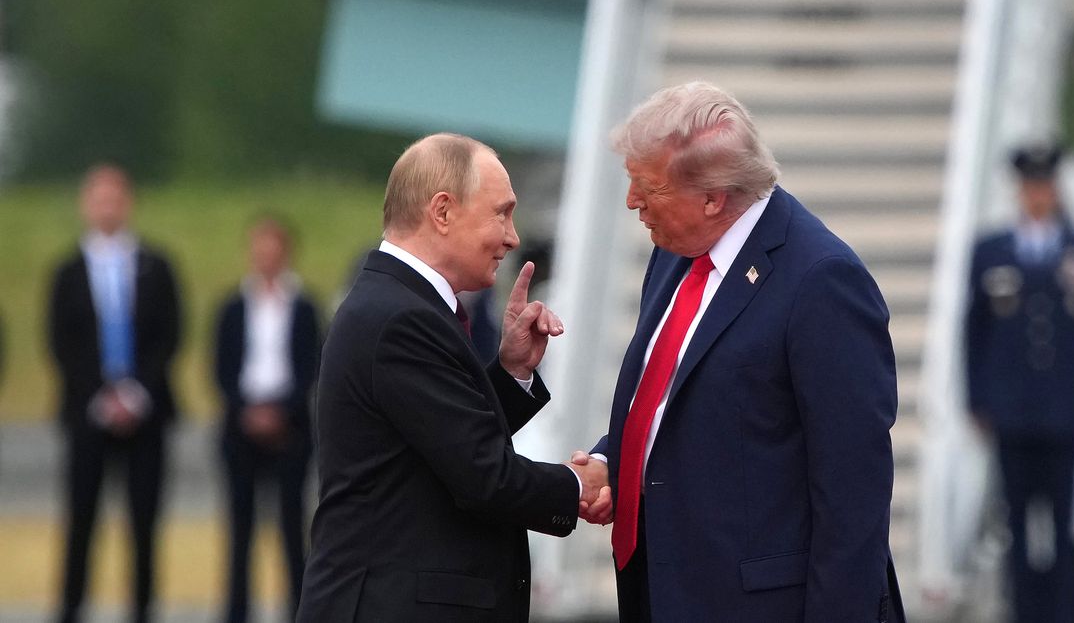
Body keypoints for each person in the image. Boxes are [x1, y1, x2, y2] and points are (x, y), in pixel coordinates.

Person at [573, 82, 904, 621]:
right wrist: (615, 460)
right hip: (665, 587)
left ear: (712, 197)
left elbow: (853, 495)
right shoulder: (678, 254)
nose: (632, 201)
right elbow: (679, 398)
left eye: (647, 187)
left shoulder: (822, 281)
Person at [296, 133, 609, 622]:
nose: (512, 236)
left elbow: (437, 445)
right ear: (442, 212)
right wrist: (579, 485)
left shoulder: (400, 304)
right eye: (500, 213)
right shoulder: (402, 317)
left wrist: (509, 372)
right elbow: (482, 475)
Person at [966, 145, 1074, 623]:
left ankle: (1064, 612)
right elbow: (975, 332)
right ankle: (1024, 611)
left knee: (1065, 524)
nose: (1038, 196)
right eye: (1031, 187)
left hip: (1064, 411)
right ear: (1020, 191)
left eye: (1045, 187)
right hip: (1012, 410)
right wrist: (978, 398)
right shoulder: (992, 252)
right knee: (1018, 524)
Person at [47, 164, 182, 623]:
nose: (107, 206)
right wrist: (101, 395)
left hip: (146, 412)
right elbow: (60, 341)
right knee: (81, 520)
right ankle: (70, 608)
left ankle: (143, 610)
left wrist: (136, 392)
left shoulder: (155, 265)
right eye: (98, 198)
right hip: (88, 411)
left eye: (115, 198)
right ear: (86, 205)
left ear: (128, 203)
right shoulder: (67, 271)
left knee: (144, 524)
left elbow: (171, 334)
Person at [213, 216, 320, 623]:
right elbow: (221, 367)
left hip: (289, 426)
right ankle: (237, 612)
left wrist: (281, 412)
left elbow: (311, 366)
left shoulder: (304, 306)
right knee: (240, 530)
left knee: (294, 528)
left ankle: (300, 611)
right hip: (241, 425)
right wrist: (247, 410)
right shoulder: (233, 305)